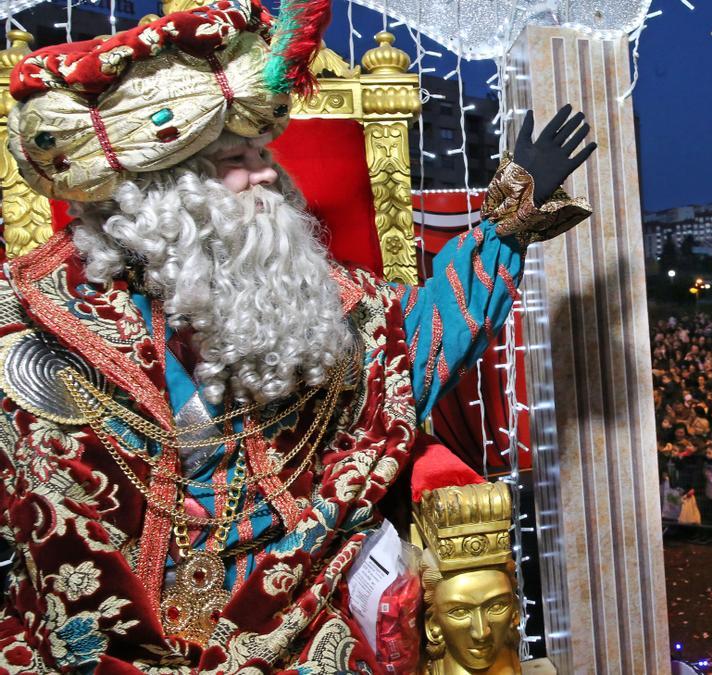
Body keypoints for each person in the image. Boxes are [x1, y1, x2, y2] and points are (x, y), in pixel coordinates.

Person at [0, 1, 596, 670]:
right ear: (161, 188)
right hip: (109, 633)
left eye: (261, 152)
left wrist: (505, 226)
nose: (268, 175)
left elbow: (411, 348)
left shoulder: (303, 296)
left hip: (285, 612)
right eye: (238, 158)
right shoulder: (35, 317)